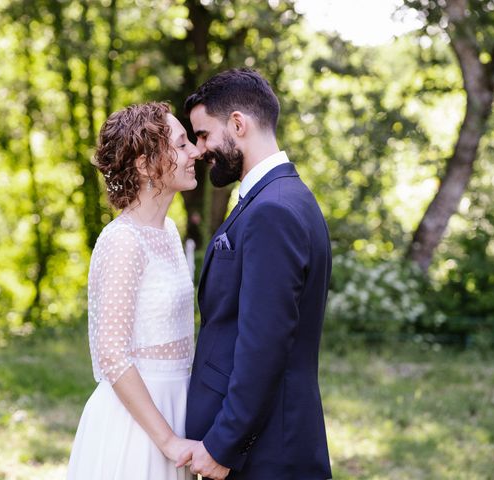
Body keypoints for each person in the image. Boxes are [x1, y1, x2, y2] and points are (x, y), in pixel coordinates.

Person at [177, 69, 333, 479]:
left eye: (204, 134)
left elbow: (263, 346)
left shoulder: (273, 211)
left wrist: (223, 446)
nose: (199, 149)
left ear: (238, 124)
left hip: (266, 455)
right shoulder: (273, 198)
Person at [66, 102, 201, 480]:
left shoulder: (169, 232)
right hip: (137, 425)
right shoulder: (123, 240)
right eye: (181, 144)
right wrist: (168, 441)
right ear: (144, 165)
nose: (195, 151)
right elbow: (111, 353)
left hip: (177, 404)